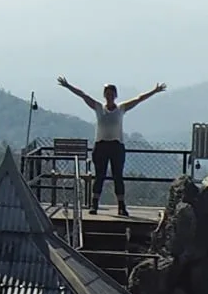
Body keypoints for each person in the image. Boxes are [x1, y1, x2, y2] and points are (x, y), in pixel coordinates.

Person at [57, 77, 167, 214]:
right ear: (104, 95)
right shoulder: (98, 107)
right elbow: (83, 95)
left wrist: (154, 91)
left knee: (118, 177)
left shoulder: (121, 108)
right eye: (107, 94)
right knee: (99, 176)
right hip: (101, 146)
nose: (109, 96)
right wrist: (68, 86)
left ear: (115, 95)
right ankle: (94, 205)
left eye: (111, 94)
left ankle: (121, 206)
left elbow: (139, 99)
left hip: (116, 146)